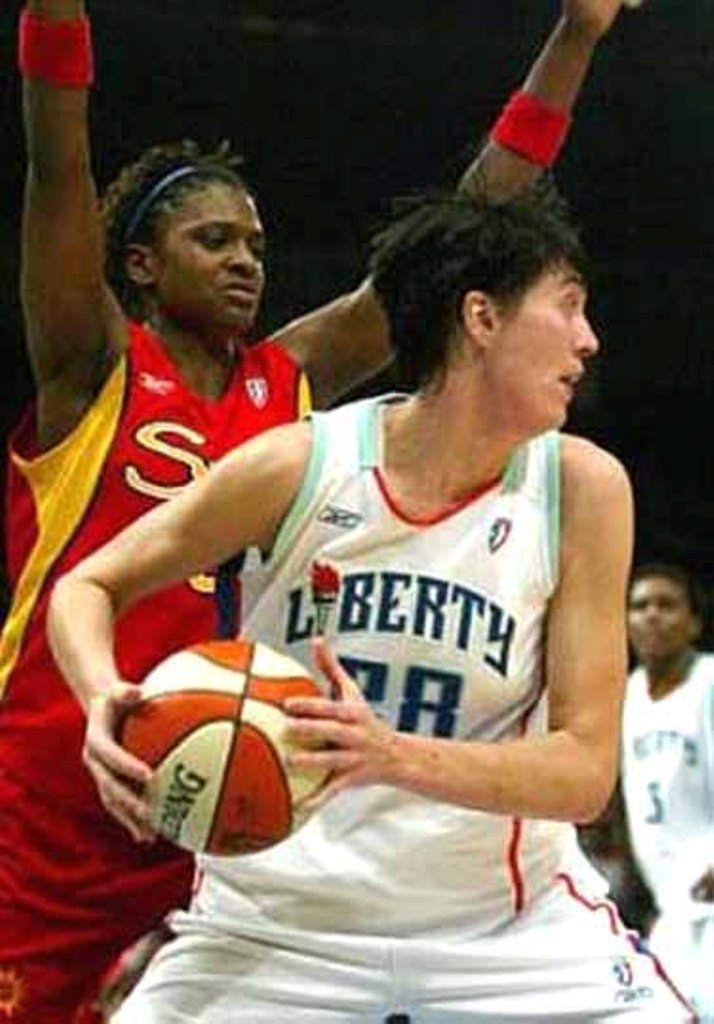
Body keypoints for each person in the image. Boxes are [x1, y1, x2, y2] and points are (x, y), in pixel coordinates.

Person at [0, 0, 633, 1020]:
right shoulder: (94, 363)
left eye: (255, 242)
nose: (246, 260)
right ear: (141, 264)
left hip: (230, 778)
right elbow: (57, 163)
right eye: (214, 240)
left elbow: (464, 232)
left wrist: (577, 37)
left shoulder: (287, 382)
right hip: (68, 773)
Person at [622, 563, 714, 1021]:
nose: (652, 615)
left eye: (667, 605)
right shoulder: (628, 694)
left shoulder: (709, 682)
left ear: (694, 623)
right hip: (674, 905)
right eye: (640, 606)